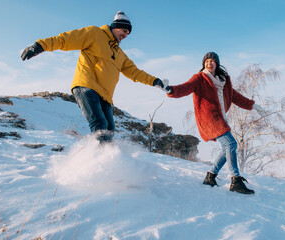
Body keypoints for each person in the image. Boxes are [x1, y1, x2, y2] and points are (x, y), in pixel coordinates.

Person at [21, 11, 169, 142]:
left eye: (127, 34)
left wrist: (156, 81)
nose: (125, 36)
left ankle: (106, 162)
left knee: (110, 131)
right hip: (87, 86)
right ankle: (99, 160)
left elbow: (135, 72)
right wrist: (40, 45)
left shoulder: (120, 55)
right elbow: (66, 39)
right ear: (115, 26)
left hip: (105, 96)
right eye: (123, 31)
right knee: (100, 125)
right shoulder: (94, 34)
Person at [166, 52, 265, 194]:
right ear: (204, 64)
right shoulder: (199, 78)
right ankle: (235, 180)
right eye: (207, 61)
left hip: (221, 119)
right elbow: (186, 87)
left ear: (217, 64)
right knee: (231, 144)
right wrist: (170, 90)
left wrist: (254, 106)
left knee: (227, 147)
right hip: (209, 120)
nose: (209, 63)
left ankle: (210, 176)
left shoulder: (223, 81)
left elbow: (236, 97)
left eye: (212, 61)